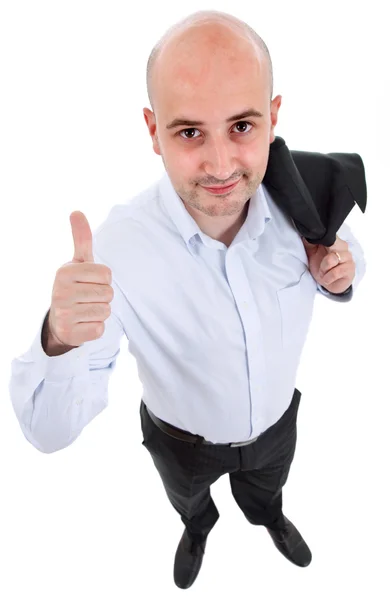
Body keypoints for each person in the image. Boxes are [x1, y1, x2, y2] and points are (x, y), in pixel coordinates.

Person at [9, 9, 366, 590]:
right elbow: (49, 433)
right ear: (153, 131)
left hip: (277, 427)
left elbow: (351, 257)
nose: (221, 165)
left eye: (243, 127)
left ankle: (268, 515)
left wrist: (339, 275)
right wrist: (59, 337)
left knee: (268, 486)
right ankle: (197, 526)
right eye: (190, 132)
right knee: (188, 501)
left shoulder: (307, 198)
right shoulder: (115, 253)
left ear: (273, 117)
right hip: (181, 445)